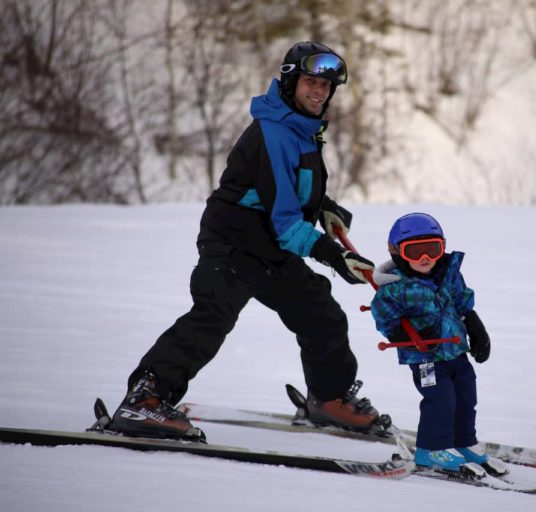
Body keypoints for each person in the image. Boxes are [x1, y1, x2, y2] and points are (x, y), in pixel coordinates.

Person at [108, 41, 383, 441]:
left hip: (271, 246)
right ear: (290, 82)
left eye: (326, 86)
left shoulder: (301, 128)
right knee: (213, 314)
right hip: (235, 241)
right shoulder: (274, 132)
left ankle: (328, 400)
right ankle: (144, 402)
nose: (319, 92)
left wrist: (323, 207)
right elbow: (286, 219)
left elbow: (285, 190)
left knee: (320, 313)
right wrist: (334, 256)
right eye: (311, 82)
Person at [370, 213, 493, 473]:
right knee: (441, 399)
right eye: (415, 251)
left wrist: (475, 325)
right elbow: (383, 314)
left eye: (432, 249)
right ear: (397, 253)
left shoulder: (448, 275)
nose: (425, 258)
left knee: (465, 395)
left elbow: (462, 302)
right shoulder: (395, 289)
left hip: (456, 350)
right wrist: (401, 337)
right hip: (425, 357)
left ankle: (463, 442)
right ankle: (432, 449)